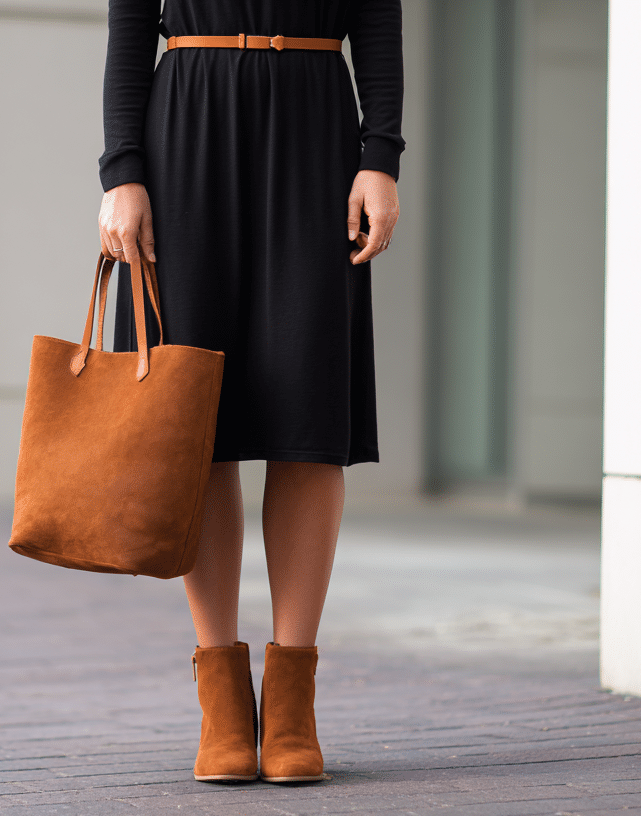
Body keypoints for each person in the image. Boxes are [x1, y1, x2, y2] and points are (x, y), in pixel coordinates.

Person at [96, 0, 404, 784]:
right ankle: (224, 705)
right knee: (194, 419)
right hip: (185, 134)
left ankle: (293, 705)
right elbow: (129, 27)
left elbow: (377, 16)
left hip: (316, 130)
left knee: (310, 415)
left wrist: (381, 157)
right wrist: (122, 170)